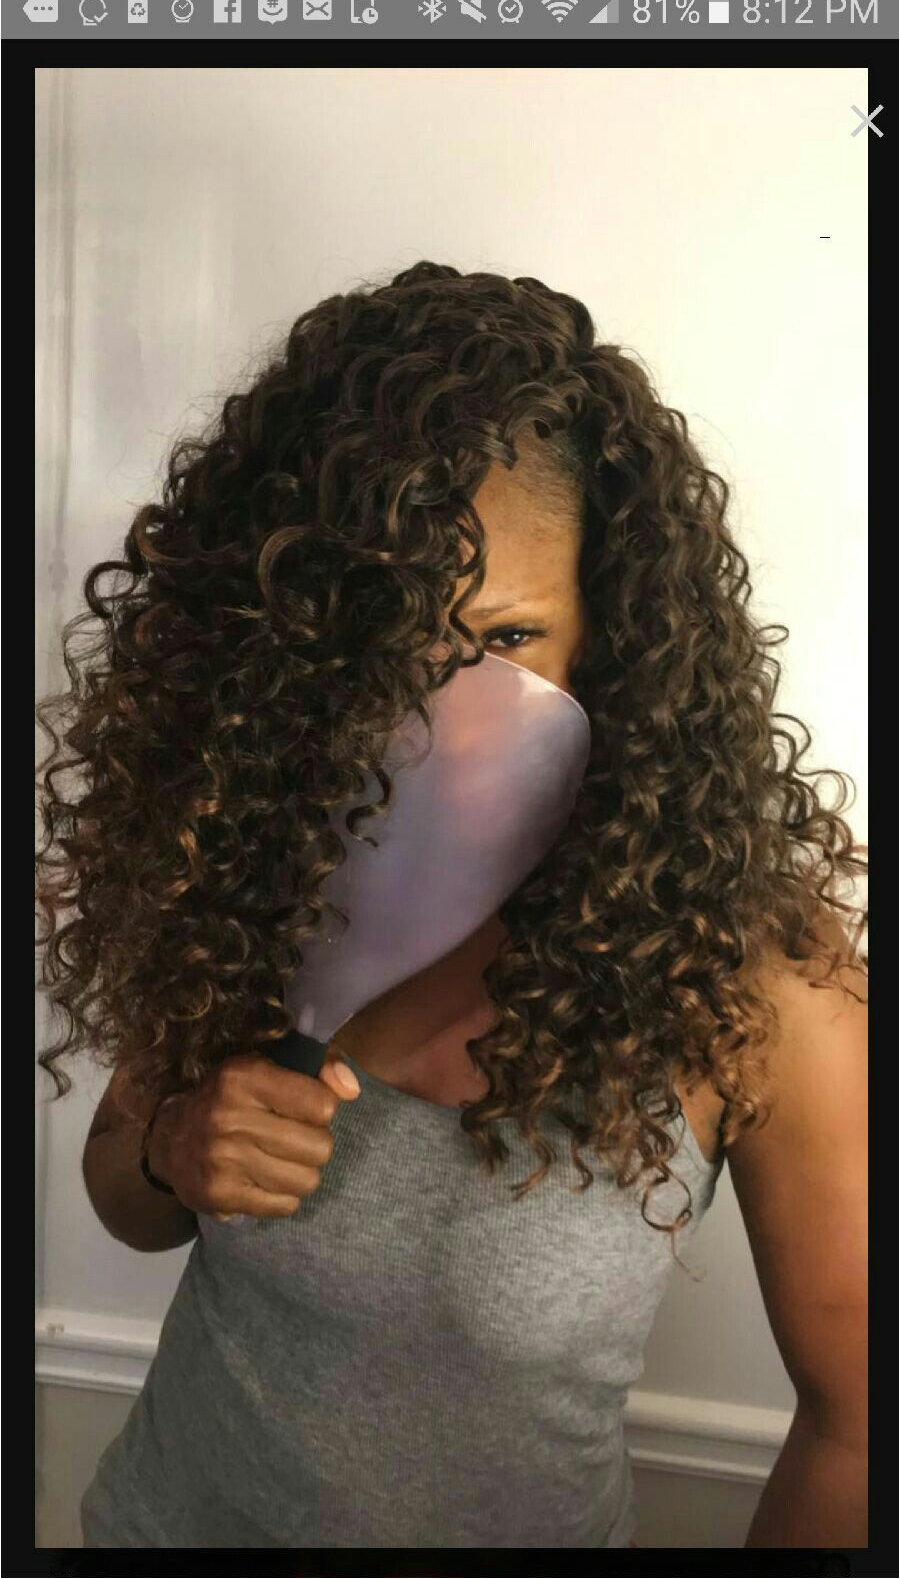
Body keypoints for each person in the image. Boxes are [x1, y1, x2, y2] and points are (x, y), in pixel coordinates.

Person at [35, 261, 867, 1550]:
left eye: (506, 642)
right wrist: (175, 1147)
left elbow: (861, 1418)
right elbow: (126, 1200)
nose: (440, 714)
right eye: (387, 639)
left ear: (612, 633)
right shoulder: (263, 847)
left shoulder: (752, 973)